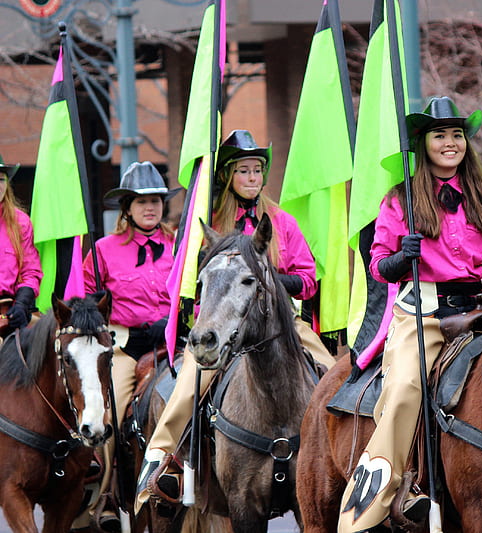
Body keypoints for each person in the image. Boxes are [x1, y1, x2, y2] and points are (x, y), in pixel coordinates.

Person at [135, 129, 336, 510]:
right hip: (223, 326)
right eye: (244, 170)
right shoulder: (208, 221)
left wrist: (268, 279)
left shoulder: (281, 221)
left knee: (331, 377)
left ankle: (344, 459)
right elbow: (187, 277)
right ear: (228, 175)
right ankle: (165, 463)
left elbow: (308, 278)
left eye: (258, 170)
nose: (253, 178)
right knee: (188, 384)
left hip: (282, 326)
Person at [338, 96, 482, 532]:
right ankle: (387, 493)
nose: (450, 143)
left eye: (456, 135)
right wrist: (402, 257)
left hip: (476, 310)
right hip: (423, 314)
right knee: (404, 389)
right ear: (424, 144)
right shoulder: (400, 201)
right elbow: (378, 263)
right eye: (440, 135)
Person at [77, 161, 179, 531]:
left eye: (155, 200)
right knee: (110, 415)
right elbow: (83, 306)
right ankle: (104, 495)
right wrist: (106, 325)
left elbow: (194, 295)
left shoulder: (180, 245)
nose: (150, 208)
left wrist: (171, 323)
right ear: (127, 208)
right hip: (125, 348)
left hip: (173, 346)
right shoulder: (103, 251)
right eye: (140, 202)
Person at [0, 154, 42, 340]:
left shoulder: (21, 222)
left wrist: (22, 304)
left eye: (1, 179)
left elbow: (31, 271)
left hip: (9, 312)